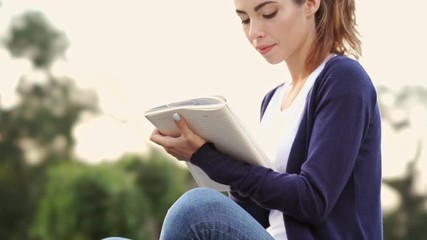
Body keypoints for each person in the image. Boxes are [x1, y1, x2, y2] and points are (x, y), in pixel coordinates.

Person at [150, 0, 383, 239]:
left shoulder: (344, 79)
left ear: (311, 4)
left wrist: (208, 158)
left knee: (197, 209)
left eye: (268, 13)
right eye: (245, 19)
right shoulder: (272, 100)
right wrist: (215, 156)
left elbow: (313, 200)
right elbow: (258, 212)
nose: (254, 32)